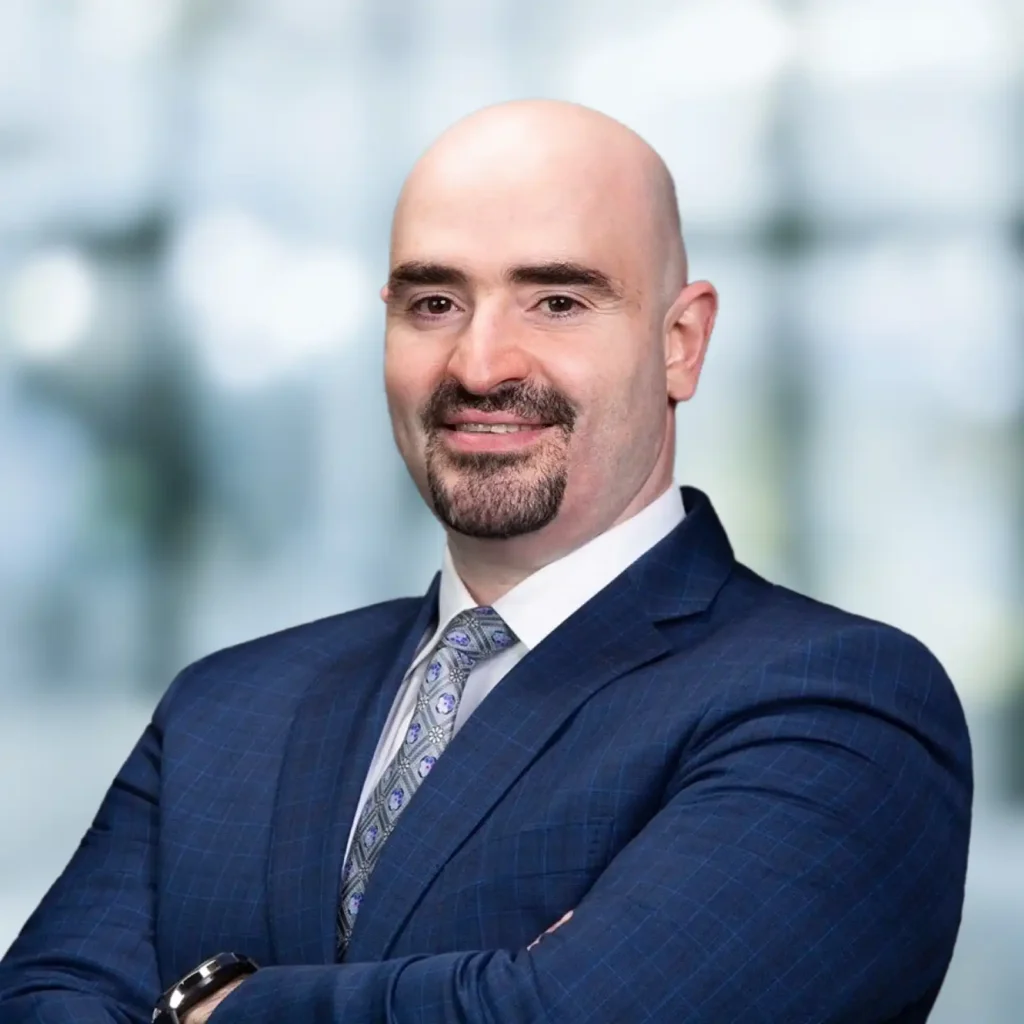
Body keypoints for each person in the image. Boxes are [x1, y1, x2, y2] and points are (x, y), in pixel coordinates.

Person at [0, 100, 972, 1024]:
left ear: (680, 343)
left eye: (555, 299)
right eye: (432, 301)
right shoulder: (227, 705)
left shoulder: (839, 703)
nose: (478, 365)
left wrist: (204, 1006)